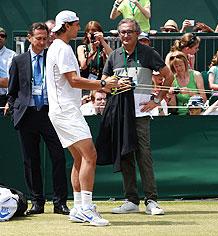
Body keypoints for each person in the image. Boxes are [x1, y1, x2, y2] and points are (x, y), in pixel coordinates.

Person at [46, 10, 118, 226]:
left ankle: (78, 207)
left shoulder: (58, 48)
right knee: (90, 156)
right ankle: (86, 208)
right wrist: (104, 84)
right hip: (66, 111)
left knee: (80, 158)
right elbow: (74, 81)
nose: (79, 28)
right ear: (67, 26)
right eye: (77, 24)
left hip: (64, 110)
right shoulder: (63, 48)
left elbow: (71, 82)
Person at [96, 18, 174, 216]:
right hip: (120, 115)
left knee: (144, 155)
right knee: (125, 157)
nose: (125, 35)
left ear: (137, 33)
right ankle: (131, 200)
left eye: (129, 31)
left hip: (141, 114)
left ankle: (151, 200)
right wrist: (111, 82)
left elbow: (168, 75)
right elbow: (104, 80)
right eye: (122, 32)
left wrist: (156, 101)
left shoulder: (148, 53)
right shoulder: (114, 55)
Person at [7, 22, 69, 216]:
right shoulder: (18, 60)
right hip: (27, 114)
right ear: (30, 38)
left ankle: (60, 203)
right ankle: (37, 202)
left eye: (45, 38)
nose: (43, 42)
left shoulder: (53, 57)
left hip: (51, 113)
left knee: (58, 157)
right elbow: (13, 89)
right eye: (39, 38)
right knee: (31, 160)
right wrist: (13, 104)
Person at [168, 51, 207, 115]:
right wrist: (171, 95)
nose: (179, 68)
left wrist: (190, 92)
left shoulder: (196, 75)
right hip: (181, 114)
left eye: (180, 65)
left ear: (185, 64)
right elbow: (173, 106)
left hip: (197, 113)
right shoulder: (173, 79)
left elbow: (204, 99)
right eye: (176, 66)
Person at [0, 27, 16, 115]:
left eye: (2, 35)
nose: (0, 37)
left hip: (6, 99)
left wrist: (9, 101)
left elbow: (13, 82)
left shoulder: (12, 56)